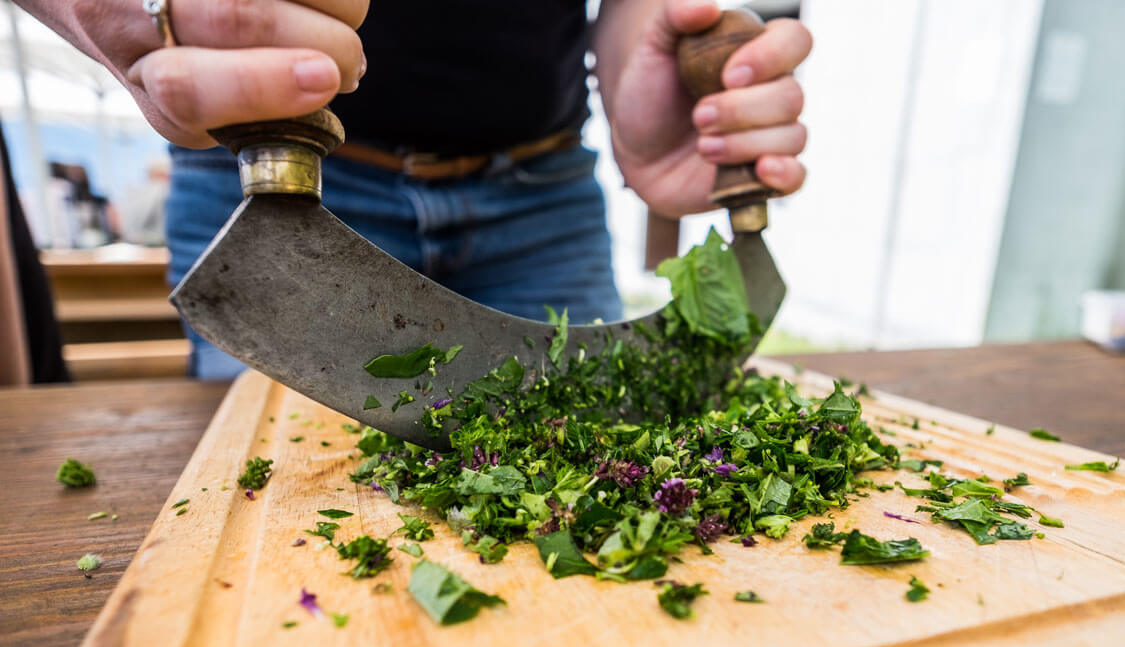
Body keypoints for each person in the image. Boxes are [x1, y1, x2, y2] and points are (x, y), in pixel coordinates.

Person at [20, 0, 811, 378]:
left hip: (545, 199)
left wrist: (640, 35)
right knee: (272, 507)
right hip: (276, 193)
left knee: (594, 463)